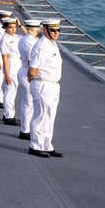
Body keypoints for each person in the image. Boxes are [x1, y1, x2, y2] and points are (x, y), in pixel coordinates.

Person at [27, 19, 63, 158]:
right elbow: (32, 70)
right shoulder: (42, 46)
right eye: (53, 30)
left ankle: (47, 145)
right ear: (45, 30)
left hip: (53, 85)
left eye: (58, 30)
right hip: (43, 85)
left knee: (50, 117)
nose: (56, 33)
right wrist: (33, 80)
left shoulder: (52, 44)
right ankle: (35, 145)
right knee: (41, 115)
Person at [16, 20, 42, 140]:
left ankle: (25, 128)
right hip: (27, 73)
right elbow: (32, 61)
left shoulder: (25, 39)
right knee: (29, 103)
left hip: (23, 70)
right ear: (36, 30)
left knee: (27, 103)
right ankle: (25, 130)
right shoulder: (30, 42)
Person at [0, 17, 21, 124]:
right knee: (10, 91)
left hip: (17, 63)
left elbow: (29, 37)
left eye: (14, 27)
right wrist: (7, 74)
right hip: (11, 64)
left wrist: (20, 25)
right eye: (10, 27)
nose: (13, 29)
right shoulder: (5, 40)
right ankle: (8, 116)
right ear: (5, 28)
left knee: (13, 91)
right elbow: (4, 58)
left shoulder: (15, 37)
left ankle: (7, 113)